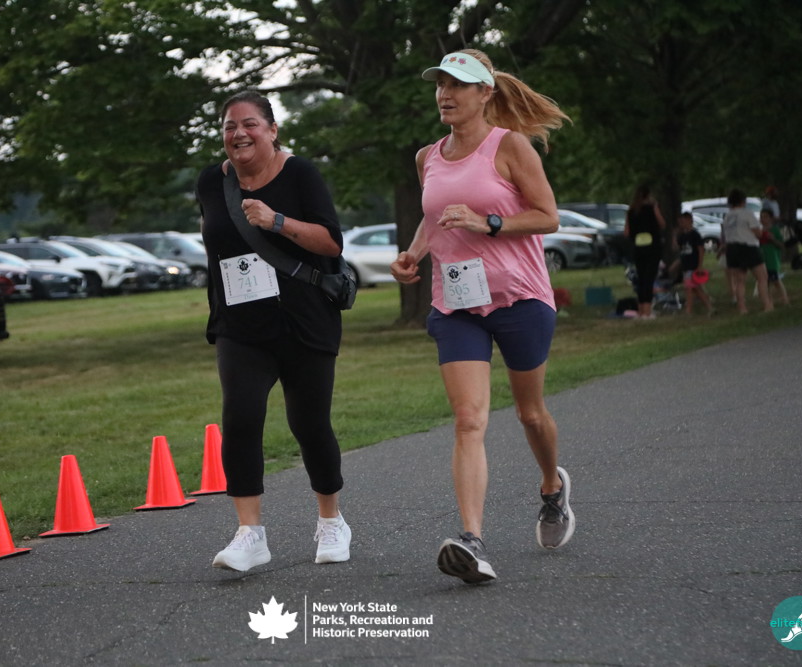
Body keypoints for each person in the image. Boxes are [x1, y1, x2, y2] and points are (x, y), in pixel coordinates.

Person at [390, 49, 574, 585]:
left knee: (530, 414)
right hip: (457, 306)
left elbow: (548, 217)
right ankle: (472, 540)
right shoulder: (427, 157)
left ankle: (552, 486)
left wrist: (488, 221)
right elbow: (435, 217)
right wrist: (413, 254)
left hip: (520, 298)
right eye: (440, 84)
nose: (445, 94)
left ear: (484, 93)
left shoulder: (510, 146)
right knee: (469, 419)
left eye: (457, 84)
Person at [194, 90, 351, 572]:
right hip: (241, 325)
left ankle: (331, 520)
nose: (238, 133)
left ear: (272, 130)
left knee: (309, 423)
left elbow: (331, 241)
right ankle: (250, 533)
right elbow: (215, 247)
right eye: (229, 126)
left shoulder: (300, 174)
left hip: (303, 320)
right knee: (240, 417)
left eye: (250, 124)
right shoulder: (211, 182)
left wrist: (277, 221)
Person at [723, 188, 773, 314]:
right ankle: (767, 305)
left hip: (732, 248)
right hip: (748, 247)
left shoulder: (728, 216)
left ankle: (742, 308)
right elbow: (758, 233)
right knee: (762, 277)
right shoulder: (747, 214)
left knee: (740, 280)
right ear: (743, 201)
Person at [624, 185, 666, 319]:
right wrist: (655, 208)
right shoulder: (651, 208)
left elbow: (626, 232)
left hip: (638, 248)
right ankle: (647, 312)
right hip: (652, 247)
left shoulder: (631, 211)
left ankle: (641, 310)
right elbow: (662, 224)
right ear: (648, 195)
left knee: (641, 278)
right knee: (649, 278)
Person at [672, 212, 714, 315]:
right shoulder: (682, 236)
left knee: (689, 288)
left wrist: (699, 265)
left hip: (693, 265)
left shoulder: (695, 235)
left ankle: (689, 310)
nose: (681, 224)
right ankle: (709, 307)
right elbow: (676, 248)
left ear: (689, 220)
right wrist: (674, 236)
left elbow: (701, 249)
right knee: (695, 288)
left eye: (682, 221)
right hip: (685, 266)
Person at [759, 208, 790, 305]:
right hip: (763, 259)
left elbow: (781, 245)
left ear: (771, 219)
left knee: (776, 280)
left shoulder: (775, 230)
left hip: (772, 259)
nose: (763, 219)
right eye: (761, 217)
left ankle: (785, 299)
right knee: (766, 281)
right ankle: (769, 301)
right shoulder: (759, 231)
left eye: (766, 217)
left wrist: (773, 239)